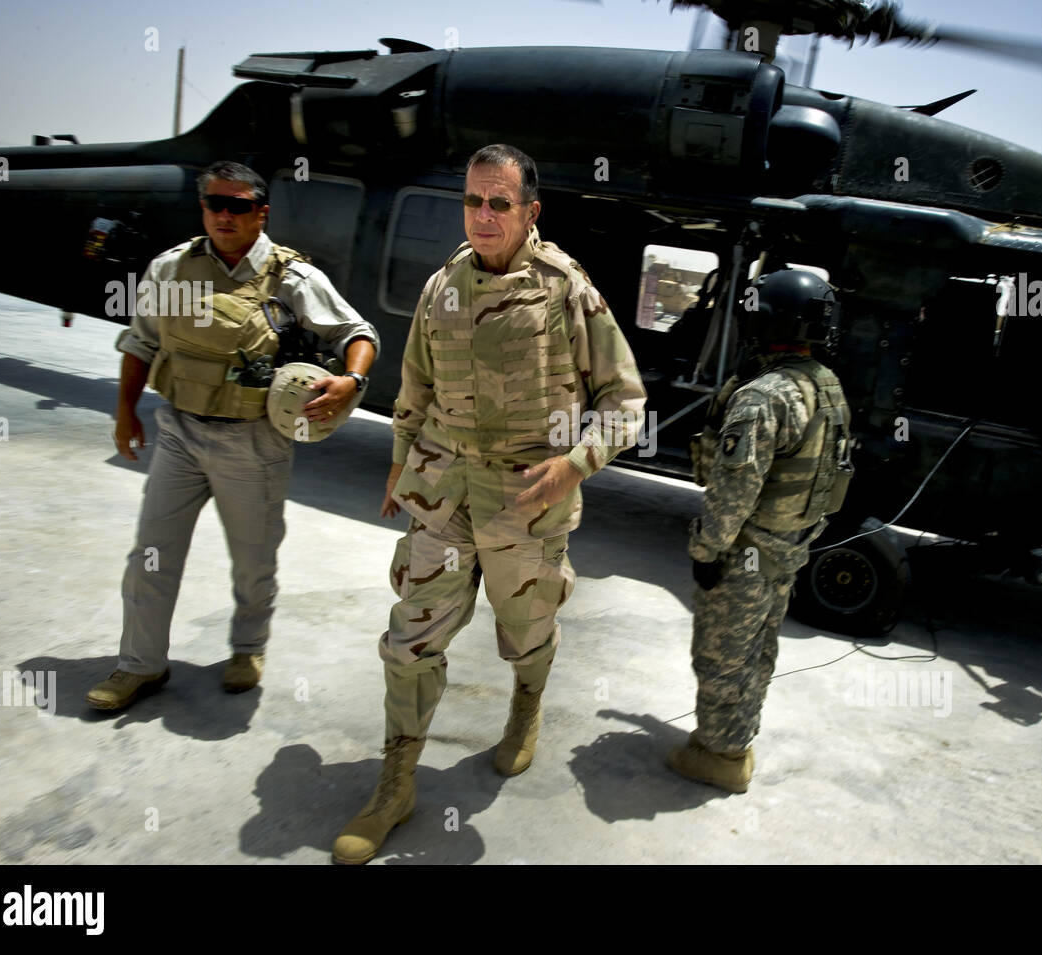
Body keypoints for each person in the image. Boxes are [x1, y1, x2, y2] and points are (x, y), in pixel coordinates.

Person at [333, 143, 646, 864]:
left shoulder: (564, 286)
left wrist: (576, 463)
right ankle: (395, 783)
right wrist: (397, 462)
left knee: (526, 632)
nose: (482, 216)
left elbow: (625, 402)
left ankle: (525, 709)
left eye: (498, 203)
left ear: (529, 211)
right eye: (472, 201)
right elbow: (413, 385)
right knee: (409, 641)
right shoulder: (443, 283)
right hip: (441, 495)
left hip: (526, 507)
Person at [86, 160, 379, 711]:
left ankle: (247, 648)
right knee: (151, 553)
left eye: (238, 206)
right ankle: (139, 665)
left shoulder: (293, 279)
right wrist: (125, 413)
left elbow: (357, 333)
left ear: (260, 213)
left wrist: (352, 379)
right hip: (179, 432)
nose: (224, 215)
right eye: (214, 204)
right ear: (203, 209)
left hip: (252, 442)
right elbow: (141, 343)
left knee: (253, 559)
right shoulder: (171, 270)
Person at [667, 268, 852, 792]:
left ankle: (720, 757)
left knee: (721, 655)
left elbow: (734, 491)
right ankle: (738, 740)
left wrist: (707, 551)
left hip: (745, 553)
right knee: (758, 651)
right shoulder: (827, 386)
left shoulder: (764, 396)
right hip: (787, 550)